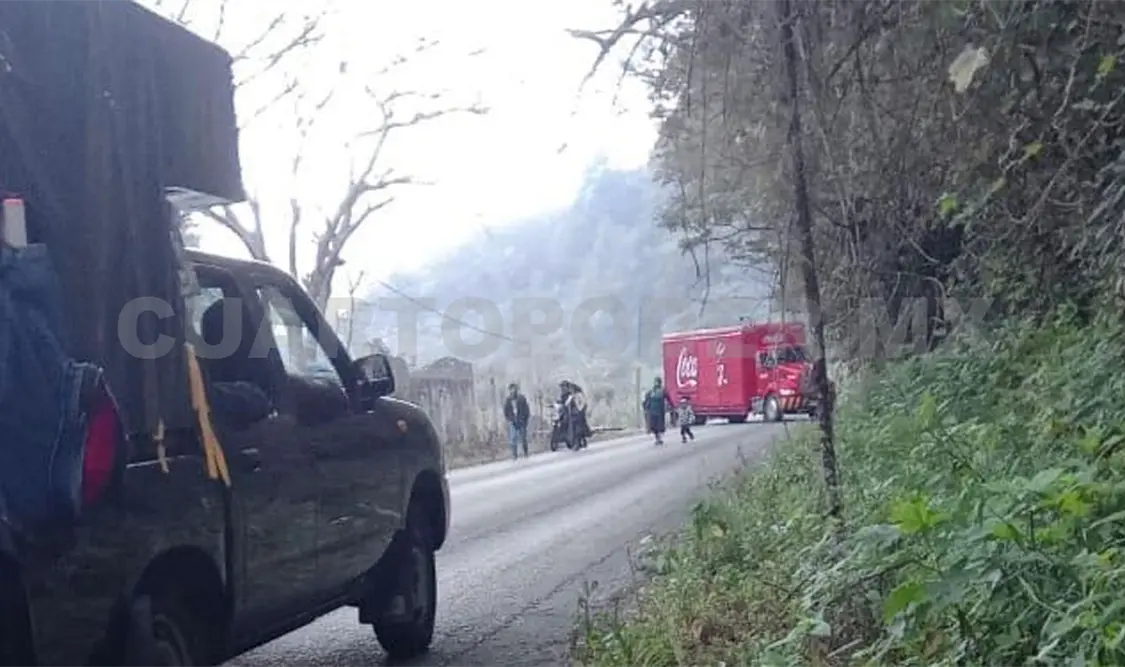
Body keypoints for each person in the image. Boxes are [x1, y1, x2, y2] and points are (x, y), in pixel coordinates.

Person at [642, 377, 673, 446]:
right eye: (655, 382)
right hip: (652, 411)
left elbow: (668, 399)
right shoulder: (651, 391)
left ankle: (659, 438)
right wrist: (646, 407)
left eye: (657, 382)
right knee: (654, 426)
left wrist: (671, 406)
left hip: (659, 411)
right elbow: (647, 400)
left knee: (659, 426)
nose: (656, 383)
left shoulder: (662, 391)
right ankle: (657, 438)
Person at [503, 382, 531, 459]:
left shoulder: (521, 398)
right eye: (511, 389)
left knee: (523, 438)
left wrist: (525, 420)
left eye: (514, 389)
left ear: (516, 390)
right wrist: (510, 419)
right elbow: (506, 411)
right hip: (513, 422)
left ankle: (526, 452)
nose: (512, 391)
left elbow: (526, 410)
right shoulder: (508, 400)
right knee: (513, 439)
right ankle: (514, 455)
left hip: (521, 421)